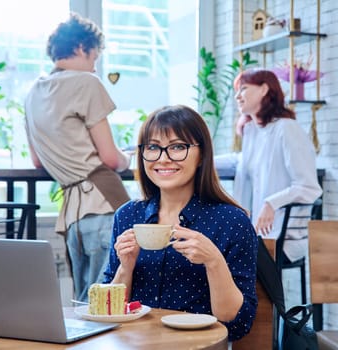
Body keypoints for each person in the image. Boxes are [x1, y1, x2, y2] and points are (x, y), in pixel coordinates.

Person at [103, 105, 258, 341]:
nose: (163, 159)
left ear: (202, 155)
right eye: (153, 147)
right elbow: (106, 309)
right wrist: (126, 267)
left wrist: (213, 261)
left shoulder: (231, 221)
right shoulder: (128, 216)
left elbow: (236, 323)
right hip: (133, 344)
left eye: (177, 147)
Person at [24, 13, 131, 302]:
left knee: (84, 302)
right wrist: (128, 158)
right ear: (83, 48)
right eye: (95, 55)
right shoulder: (86, 82)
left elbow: (37, 161)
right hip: (103, 202)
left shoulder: (33, 93)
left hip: (71, 213)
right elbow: (110, 158)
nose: (95, 64)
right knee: (109, 300)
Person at [224, 69, 322, 263]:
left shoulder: (286, 128)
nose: (237, 96)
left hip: (283, 237)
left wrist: (271, 203)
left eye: (243, 89)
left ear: (264, 89)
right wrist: (198, 158)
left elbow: (308, 186)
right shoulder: (252, 131)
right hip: (258, 234)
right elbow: (239, 161)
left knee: (224, 256)